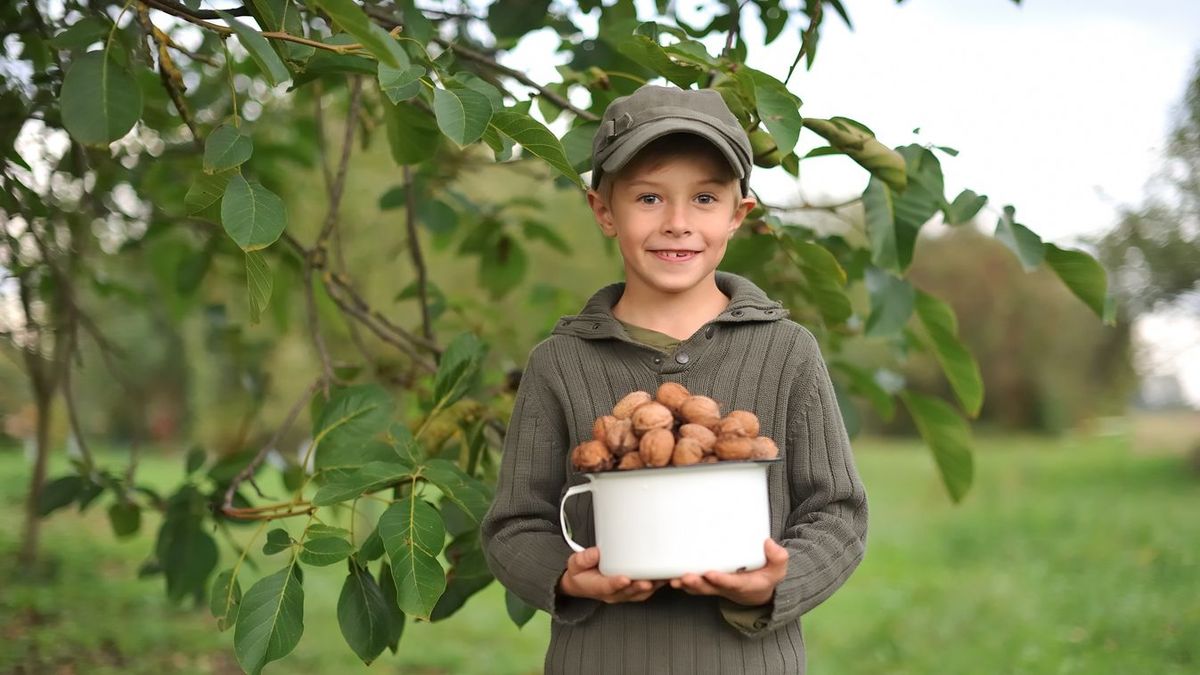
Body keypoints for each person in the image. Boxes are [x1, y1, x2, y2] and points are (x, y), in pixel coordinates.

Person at [480, 84, 869, 674]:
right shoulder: (559, 362)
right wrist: (568, 575)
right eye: (649, 198)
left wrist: (777, 580)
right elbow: (514, 523)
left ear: (740, 215)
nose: (678, 223)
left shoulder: (788, 350)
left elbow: (837, 511)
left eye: (706, 198)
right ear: (603, 211)